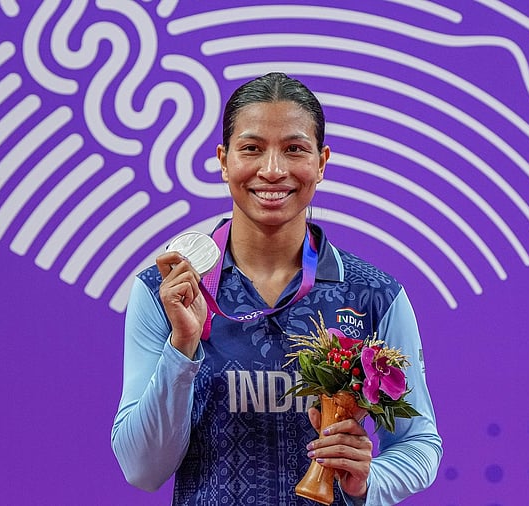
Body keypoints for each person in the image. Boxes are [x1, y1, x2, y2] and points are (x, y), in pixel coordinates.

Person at [111, 72, 442, 505]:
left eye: (294, 149)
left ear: (321, 162)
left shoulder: (374, 296)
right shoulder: (167, 291)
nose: (272, 170)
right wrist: (182, 347)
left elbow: (419, 444)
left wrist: (368, 480)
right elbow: (142, 469)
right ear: (223, 159)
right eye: (251, 148)